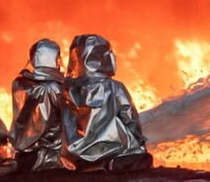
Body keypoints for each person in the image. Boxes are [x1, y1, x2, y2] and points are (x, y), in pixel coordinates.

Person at [61, 34, 153, 171]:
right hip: (115, 149)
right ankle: (109, 164)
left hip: (78, 153)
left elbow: (66, 123)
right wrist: (139, 141)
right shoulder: (114, 87)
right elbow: (130, 117)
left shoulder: (67, 90)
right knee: (145, 159)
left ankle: (88, 165)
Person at [10, 38, 66, 171]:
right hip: (50, 157)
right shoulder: (55, 88)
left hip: (23, 157)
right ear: (55, 59)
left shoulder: (19, 84)